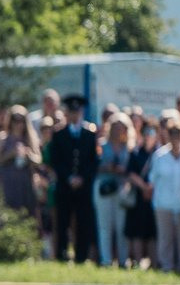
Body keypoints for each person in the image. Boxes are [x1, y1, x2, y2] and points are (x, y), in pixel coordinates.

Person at [47, 94, 98, 263]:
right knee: (63, 221)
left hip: (83, 187)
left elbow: (93, 161)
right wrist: (68, 177)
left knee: (83, 221)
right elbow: (56, 160)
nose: (74, 114)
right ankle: (61, 254)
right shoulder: (59, 134)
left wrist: (82, 178)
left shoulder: (89, 134)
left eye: (77, 111)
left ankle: (81, 256)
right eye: (71, 111)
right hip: (65, 185)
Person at [147, 118, 180, 274]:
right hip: (163, 203)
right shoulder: (159, 156)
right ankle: (166, 267)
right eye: (173, 134)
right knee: (165, 238)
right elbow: (152, 180)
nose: (176, 137)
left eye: (179, 133)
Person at [93, 115, 131, 269]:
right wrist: (106, 167)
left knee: (121, 226)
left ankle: (123, 260)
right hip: (103, 187)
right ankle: (106, 260)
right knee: (105, 226)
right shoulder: (101, 145)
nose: (118, 131)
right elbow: (93, 166)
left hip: (121, 188)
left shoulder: (128, 148)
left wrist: (123, 170)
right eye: (115, 127)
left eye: (121, 128)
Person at [123, 120, 158, 269]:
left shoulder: (159, 153)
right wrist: (144, 187)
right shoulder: (135, 152)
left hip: (155, 197)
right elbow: (131, 173)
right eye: (146, 132)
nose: (149, 136)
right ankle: (137, 262)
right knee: (137, 231)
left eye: (152, 132)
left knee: (153, 232)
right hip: (138, 197)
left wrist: (151, 188)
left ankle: (154, 263)